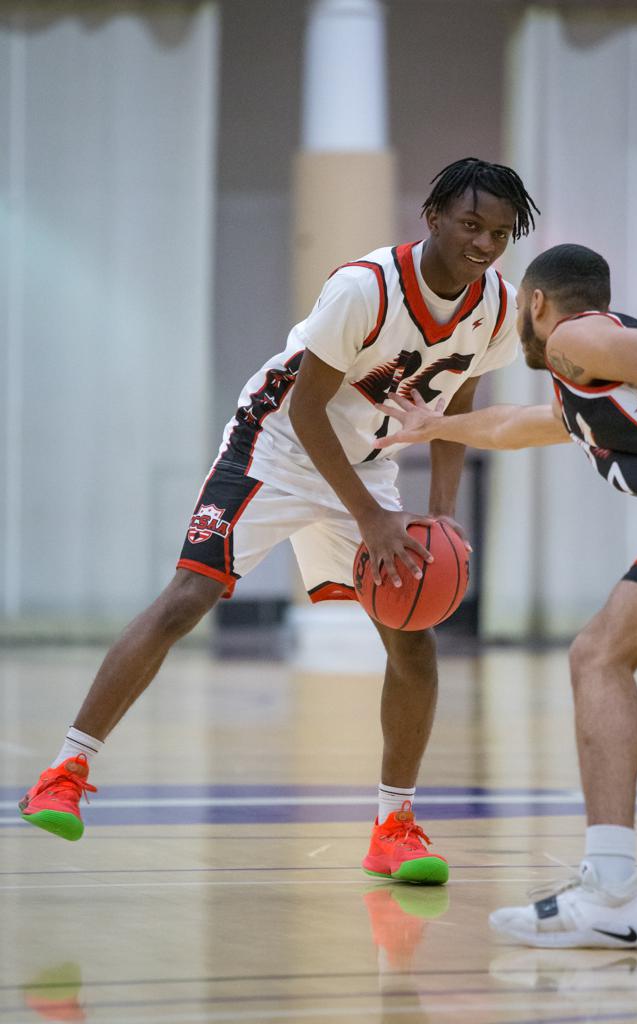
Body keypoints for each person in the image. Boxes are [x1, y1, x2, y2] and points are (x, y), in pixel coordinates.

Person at [18, 158, 540, 886]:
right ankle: (64, 771)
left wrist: (441, 517)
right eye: (471, 224)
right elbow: (305, 407)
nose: (485, 242)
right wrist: (370, 517)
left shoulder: (494, 307)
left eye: (500, 232)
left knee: (414, 647)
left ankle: (395, 826)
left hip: (363, 463)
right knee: (187, 598)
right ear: (433, 216)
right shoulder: (366, 287)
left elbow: (454, 410)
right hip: (277, 447)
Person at [374, 242, 637, 938]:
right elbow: (519, 425)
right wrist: (435, 426)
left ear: (537, 305)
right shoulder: (589, 377)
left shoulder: (578, 337)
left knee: (597, 657)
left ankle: (611, 897)